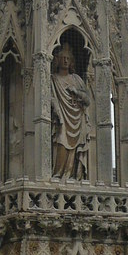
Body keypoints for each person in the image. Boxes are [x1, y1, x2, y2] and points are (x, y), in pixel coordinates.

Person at [50, 42, 90, 180]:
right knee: (61, 143)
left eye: (68, 58)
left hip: (77, 118)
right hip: (62, 118)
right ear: (57, 59)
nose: (66, 60)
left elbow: (88, 100)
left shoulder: (76, 79)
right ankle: (58, 174)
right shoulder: (53, 79)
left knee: (74, 149)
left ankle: (72, 176)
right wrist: (57, 112)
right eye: (63, 58)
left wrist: (77, 92)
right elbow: (50, 97)